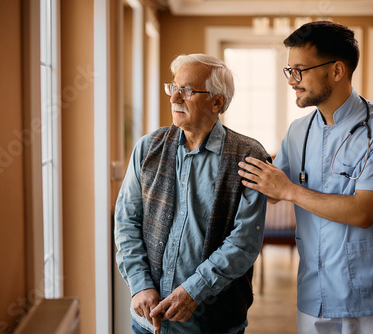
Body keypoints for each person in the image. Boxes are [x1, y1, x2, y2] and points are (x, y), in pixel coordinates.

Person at [238, 21, 373, 333]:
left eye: (300, 70)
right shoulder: (298, 130)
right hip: (315, 290)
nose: (292, 81)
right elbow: (273, 190)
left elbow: (364, 212)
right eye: (289, 70)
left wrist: (289, 190)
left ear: (336, 71)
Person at [115, 53, 271, 334]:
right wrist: (140, 284)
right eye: (173, 88)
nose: (174, 98)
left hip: (214, 325)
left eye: (185, 91)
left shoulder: (249, 156)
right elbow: (127, 221)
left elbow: (244, 241)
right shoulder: (147, 148)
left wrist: (193, 291)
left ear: (217, 101)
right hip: (146, 321)